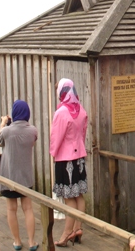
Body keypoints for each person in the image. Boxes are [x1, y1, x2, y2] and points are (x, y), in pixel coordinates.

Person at [49, 78, 88, 247]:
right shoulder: (81, 110)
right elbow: (83, 134)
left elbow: (56, 137)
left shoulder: (61, 112)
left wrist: (53, 153)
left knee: (68, 197)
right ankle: (77, 229)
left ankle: (66, 233)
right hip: (79, 157)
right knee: (79, 195)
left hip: (65, 159)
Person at [0, 99, 39, 251]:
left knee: (11, 209)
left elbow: (0, 142)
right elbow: (32, 143)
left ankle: (17, 242)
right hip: (26, 175)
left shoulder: (7, 131)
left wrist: (3, 123)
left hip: (8, 175)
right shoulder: (33, 130)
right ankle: (32, 242)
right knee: (28, 208)